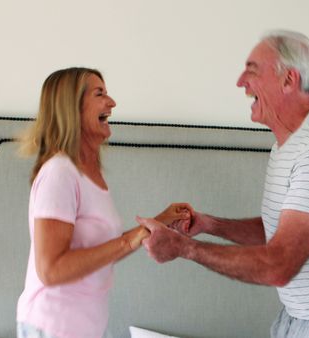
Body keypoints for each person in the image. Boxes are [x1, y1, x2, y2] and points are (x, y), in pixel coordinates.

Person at [137, 30, 309, 338]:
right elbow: (280, 233)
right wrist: (210, 224)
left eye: (253, 71)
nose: (240, 81)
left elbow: (279, 265)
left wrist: (184, 248)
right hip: (302, 316)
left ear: (289, 81)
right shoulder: (286, 145)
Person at [16, 67, 190, 338]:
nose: (112, 102)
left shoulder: (87, 173)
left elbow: (96, 251)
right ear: (71, 107)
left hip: (83, 328)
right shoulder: (59, 172)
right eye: (100, 94)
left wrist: (160, 221)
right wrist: (130, 238)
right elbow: (50, 270)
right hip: (52, 326)